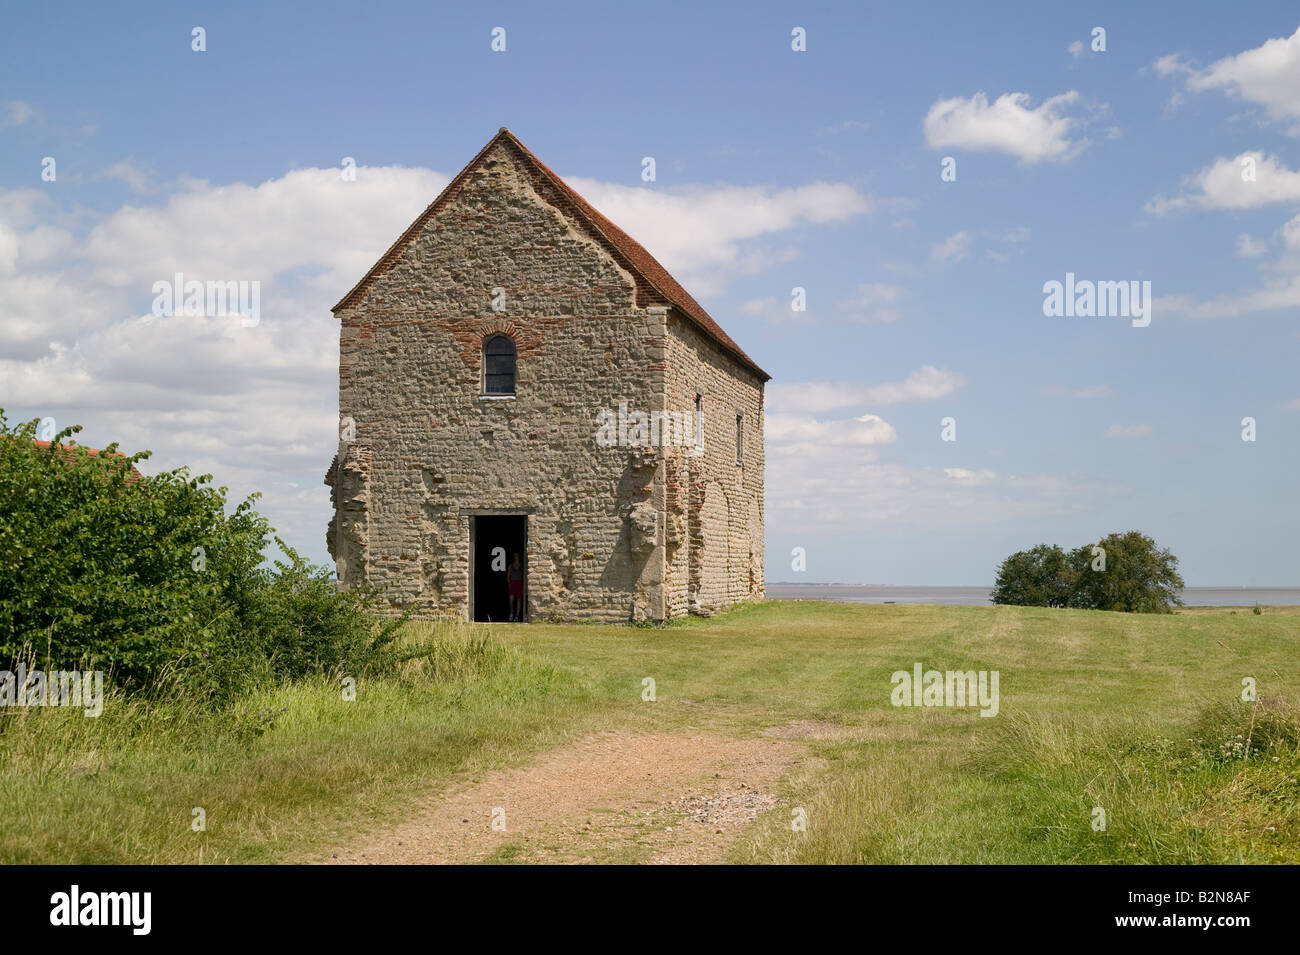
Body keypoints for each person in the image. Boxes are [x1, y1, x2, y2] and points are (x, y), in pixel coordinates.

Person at [507, 552, 526, 622]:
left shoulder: (522, 565)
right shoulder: (511, 565)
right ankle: (512, 612)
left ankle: (517, 616)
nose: (516, 557)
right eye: (515, 555)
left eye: (517, 555)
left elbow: (524, 575)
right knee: (511, 598)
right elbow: (508, 576)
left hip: (520, 583)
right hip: (512, 582)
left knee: (519, 599)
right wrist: (509, 584)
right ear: (513, 557)